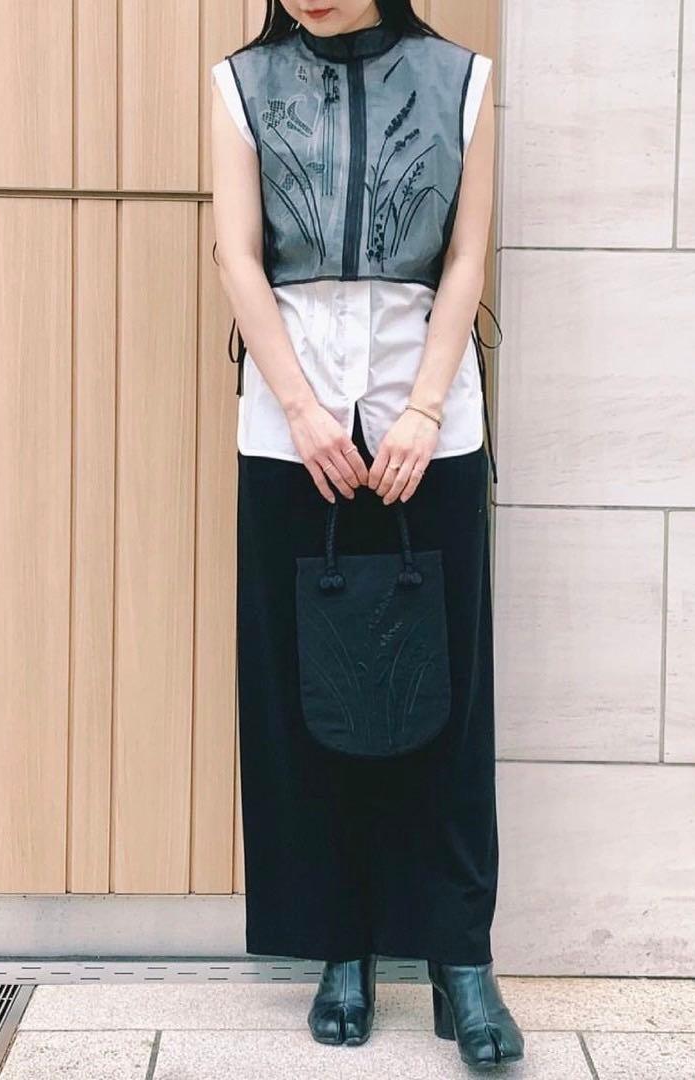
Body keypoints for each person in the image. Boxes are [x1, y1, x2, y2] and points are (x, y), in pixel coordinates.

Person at [210, 0, 523, 1068]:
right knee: (305, 695)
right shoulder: (240, 84)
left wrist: (425, 408)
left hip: (427, 423)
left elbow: (466, 260)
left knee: (446, 697)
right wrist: (301, 410)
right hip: (289, 432)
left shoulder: (463, 80)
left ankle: (460, 958)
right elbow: (239, 259)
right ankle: (338, 946)